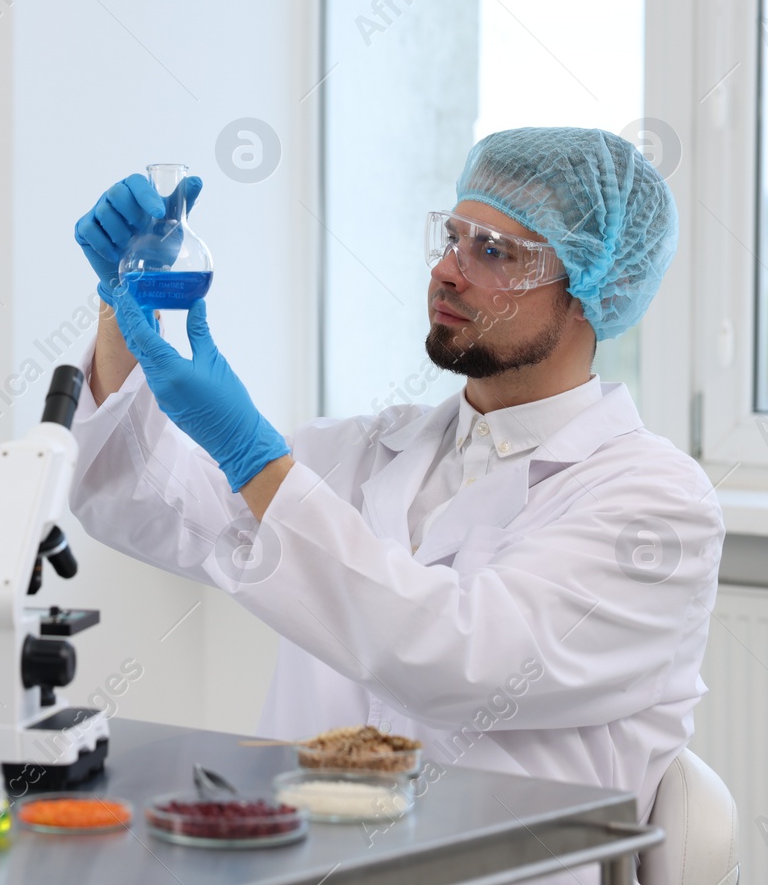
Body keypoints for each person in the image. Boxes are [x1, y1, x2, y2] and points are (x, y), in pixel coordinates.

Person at [70, 128, 722, 872]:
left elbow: (462, 662)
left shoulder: (658, 506)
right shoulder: (370, 450)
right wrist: (122, 312)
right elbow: (136, 501)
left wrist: (257, 458)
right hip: (299, 864)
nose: (448, 270)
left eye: (495, 252)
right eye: (453, 238)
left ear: (590, 287)